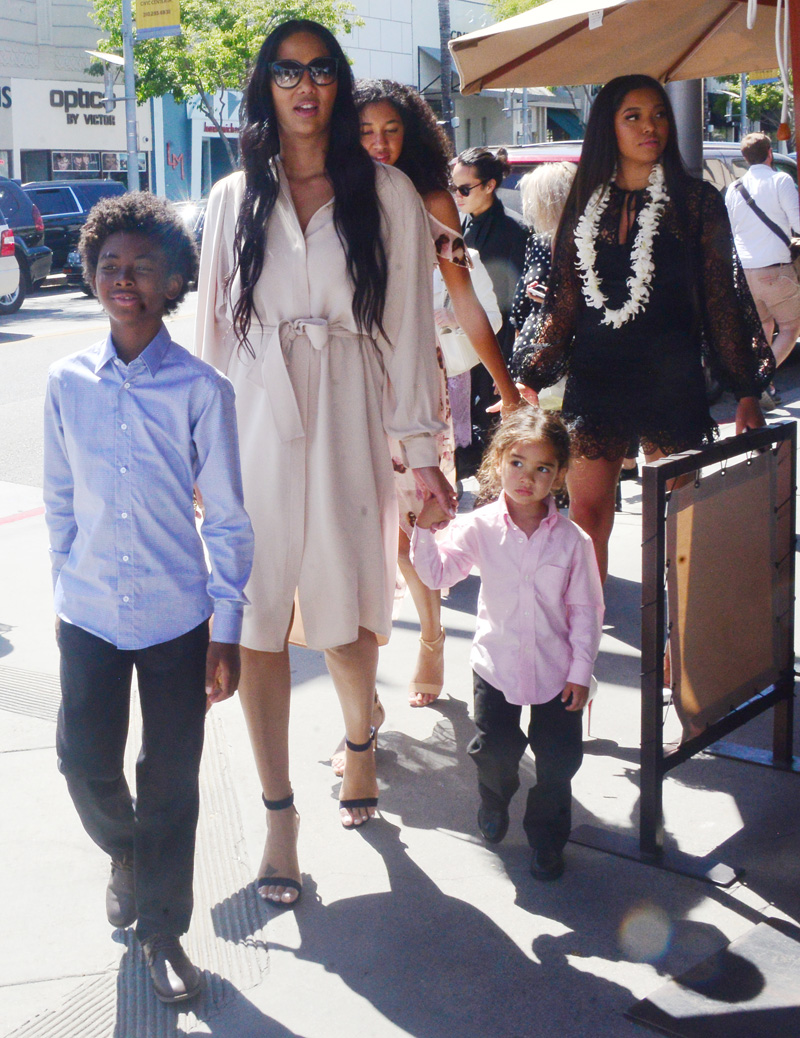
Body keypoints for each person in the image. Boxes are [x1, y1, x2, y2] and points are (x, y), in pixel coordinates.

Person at [194, 21, 456, 906]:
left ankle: (359, 738)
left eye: (319, 70)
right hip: (254, 415)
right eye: (286, 71)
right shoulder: (233, 196)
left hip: (349, 409)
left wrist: (420, 452)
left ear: (339, 84)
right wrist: (201, 456)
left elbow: (409, 332)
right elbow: (213, 333)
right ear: (265, 86)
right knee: (258, 617)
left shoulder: (387, 194)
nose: (304, 86)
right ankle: (279, 815)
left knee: (346, 611)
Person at [43, 193, 254, 1003]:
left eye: (142, 266)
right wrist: (64, 587)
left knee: (171, 780)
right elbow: (60, 499)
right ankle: (126, 850)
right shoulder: (66, 382)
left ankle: (163, 930)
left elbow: (227, 518)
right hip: (89, 612)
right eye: (110, 264)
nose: (124, 278)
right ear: (90, 274)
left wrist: (227, 629)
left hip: (176, 618)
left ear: (173, 282)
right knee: (82, 760)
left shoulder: (202, 390)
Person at [514, 74, 774, 583]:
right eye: (632, 116)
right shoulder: (585, 204)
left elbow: (722, 299)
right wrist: (532, 375)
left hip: (670, 376)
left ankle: (680, 631)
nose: (649, 126)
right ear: (608, 128)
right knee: (587, 518)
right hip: (596, 377)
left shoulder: (696, 201)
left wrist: (746, 389)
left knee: (681, 514)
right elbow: (564, 303)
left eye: (658, 114)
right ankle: (585, 624)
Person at [354, 79, 517, 716]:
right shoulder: (334, 193)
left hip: (411, 379)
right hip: (343, 380)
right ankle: (361, 700)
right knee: (358, 536)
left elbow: (466, 298)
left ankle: (430, 635)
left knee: (410, 530)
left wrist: (506, 387)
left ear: (413, 132)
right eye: (365, 130)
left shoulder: (432, 201)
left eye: (391, 129)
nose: (379, 143)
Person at [410, 406, 603, 881]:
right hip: (496, 665)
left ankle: (548, 839)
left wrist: (581, 671)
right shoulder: (479, 527)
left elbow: (586, 609)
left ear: (560, 475)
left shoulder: (573, 541)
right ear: (498, 461)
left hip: (557, 671)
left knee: (559, 761)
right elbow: (438, 574)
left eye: (542, 468)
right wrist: (425, 529)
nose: (527, 478)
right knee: (495, 751)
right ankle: (494, 799)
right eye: (517, 462)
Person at [452, 147, 528, 460]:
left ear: (489, 186)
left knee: (498, 429)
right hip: (463, 336)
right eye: (453, 187)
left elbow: (518, 302)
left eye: (464, 189)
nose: (457, 195)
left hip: (501, 339)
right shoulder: (459, 225)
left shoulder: (516, 230)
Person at [725, 130, 800, 400]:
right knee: (791, 327)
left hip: (745, 273)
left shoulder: (734, 189)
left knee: (764, 326)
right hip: (775, 270)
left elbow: (730, 231)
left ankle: (764, 388)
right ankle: (760, 380)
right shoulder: (781, 180)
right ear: (770, 154)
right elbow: (798, 224)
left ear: (745, 159)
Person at [510, 162, 576, 336]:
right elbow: (519, 307)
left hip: (569, 339)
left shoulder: (587, 244)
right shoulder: (538, 241)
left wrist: (553, 300)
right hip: (533, 337)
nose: (531, 207)